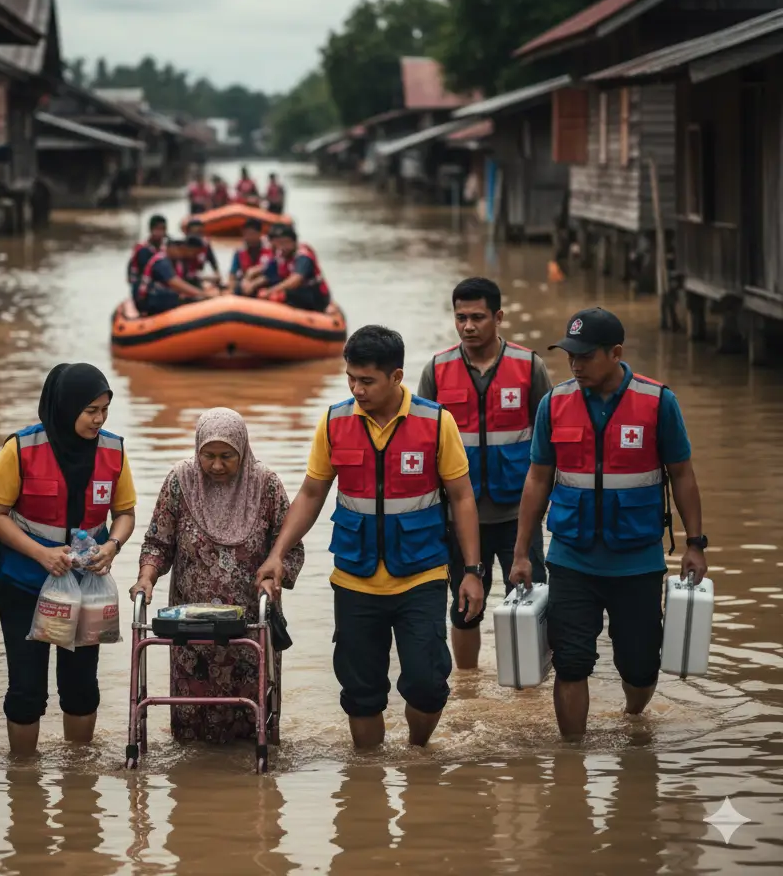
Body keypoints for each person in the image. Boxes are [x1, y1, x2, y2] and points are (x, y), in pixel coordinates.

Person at [256, 326, 484, 749]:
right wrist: (277, 554)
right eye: (351, 378)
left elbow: (462, 498)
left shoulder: (437, 423)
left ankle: (418, 756)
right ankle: (367, 778)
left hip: (422, 575)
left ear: (397, 377)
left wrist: (472, 571)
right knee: (361, 695)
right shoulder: (334, 421)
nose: (356, 389)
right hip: (355, 580)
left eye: (367, 381)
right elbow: (310, 493)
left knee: (428, 684)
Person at [510, 308, 707, 741]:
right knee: (572, 661)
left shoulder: (658, 402)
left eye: (585, 356)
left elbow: (683, 474)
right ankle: (572, 762)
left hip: (636, 560)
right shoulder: (554, 404)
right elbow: (537, 478)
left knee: (639, 667)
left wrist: (695, 543)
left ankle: (634, 721)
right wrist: (522, 552)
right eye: (569, 356)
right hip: (571, 557)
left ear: (615, 353)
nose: (575, 364)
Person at [0, 363, 137, 755]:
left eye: (104, 409)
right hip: (26, 585)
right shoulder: (21, 449)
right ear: (65, 407)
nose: (99, 419)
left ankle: (78, 779)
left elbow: (125, 513)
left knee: (82, 686)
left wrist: (112, 546)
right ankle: (23, 779)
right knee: (26, 688)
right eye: (90, 411)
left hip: (87, 587)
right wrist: (41, 553)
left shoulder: (113, 449)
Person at [130, 408, 303, 743]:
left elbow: (290, 547)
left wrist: (276, 574)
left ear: (243, 449)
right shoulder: (180, 482)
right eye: (208, 456)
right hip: (189, 627)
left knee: (253, 721)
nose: (217, 465)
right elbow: (158, 542)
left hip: (248, 626)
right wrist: (146, 578)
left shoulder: (265, 485)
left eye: (227, 456)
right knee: (192, 723)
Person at [417, 277, 550, 670]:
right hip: (459, 518)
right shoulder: (437, 371)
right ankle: (468, 685)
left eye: (477, 317)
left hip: (517, 516)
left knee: (529, 601)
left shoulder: (529, 366)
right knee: (463, 607)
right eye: (461, 317)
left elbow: (550, 442)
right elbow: (423, 446)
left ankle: (529, 685)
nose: (468, 326)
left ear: (499, 317)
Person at [257, 223, 331, 312]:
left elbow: (296, 279)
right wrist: (253, 284)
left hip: (314, 296)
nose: (283, 247)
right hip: (298, 292)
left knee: (282, 295)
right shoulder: (281, 256)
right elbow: (268, 275)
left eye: (286, 243)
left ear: (294, 242)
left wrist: (270, 291)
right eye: (280, 243)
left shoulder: (303, 256)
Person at [135, 238, 218, 315]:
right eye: (179, 249)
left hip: (159, 297)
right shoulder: (162, 262)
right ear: (170, 248)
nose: (181, 252)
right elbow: (174, 282)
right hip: (150, 300)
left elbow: (188, 278)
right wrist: (202, 294)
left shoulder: (176, 262)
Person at [127, 214, 168, 300]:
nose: (160, 233)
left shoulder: (167, 248)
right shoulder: (143, 251)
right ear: (150, 230)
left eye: (163, 229)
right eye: (157, 229)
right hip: (145, 289)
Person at [229, 217, 274, 295]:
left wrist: (253, 279)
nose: (249, 237)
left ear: (260, 234)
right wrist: (231, 289)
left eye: (252, 234)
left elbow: (271, 271)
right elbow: (232, 273)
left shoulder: (271, 249)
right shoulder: (240, 251)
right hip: (245, 284)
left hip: (264, 283)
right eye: (246, 234)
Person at [183, 218, 223, 288]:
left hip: (198, 278)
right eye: (195, 233)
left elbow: (213, 263)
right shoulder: (181, 247)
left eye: (199, 232)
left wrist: (218, 277)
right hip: (185, 280)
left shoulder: (205, 246)